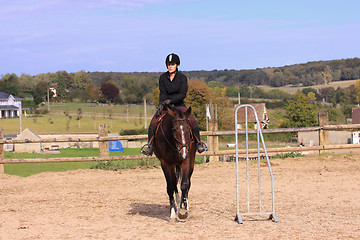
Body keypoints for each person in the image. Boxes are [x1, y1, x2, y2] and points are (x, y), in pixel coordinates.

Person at [141, 53, 208, 156]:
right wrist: (161, 105)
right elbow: (162, 93)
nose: (170, 66)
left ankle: (199, 143)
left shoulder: (182, 78)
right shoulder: (163, 78)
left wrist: (170, 100)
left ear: (177, 65)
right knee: (153, 122)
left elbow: (182, 94)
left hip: (179, 105)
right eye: (168, 64)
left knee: (192, 120)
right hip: (166, 107)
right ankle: (150, 146)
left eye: (172, 64)